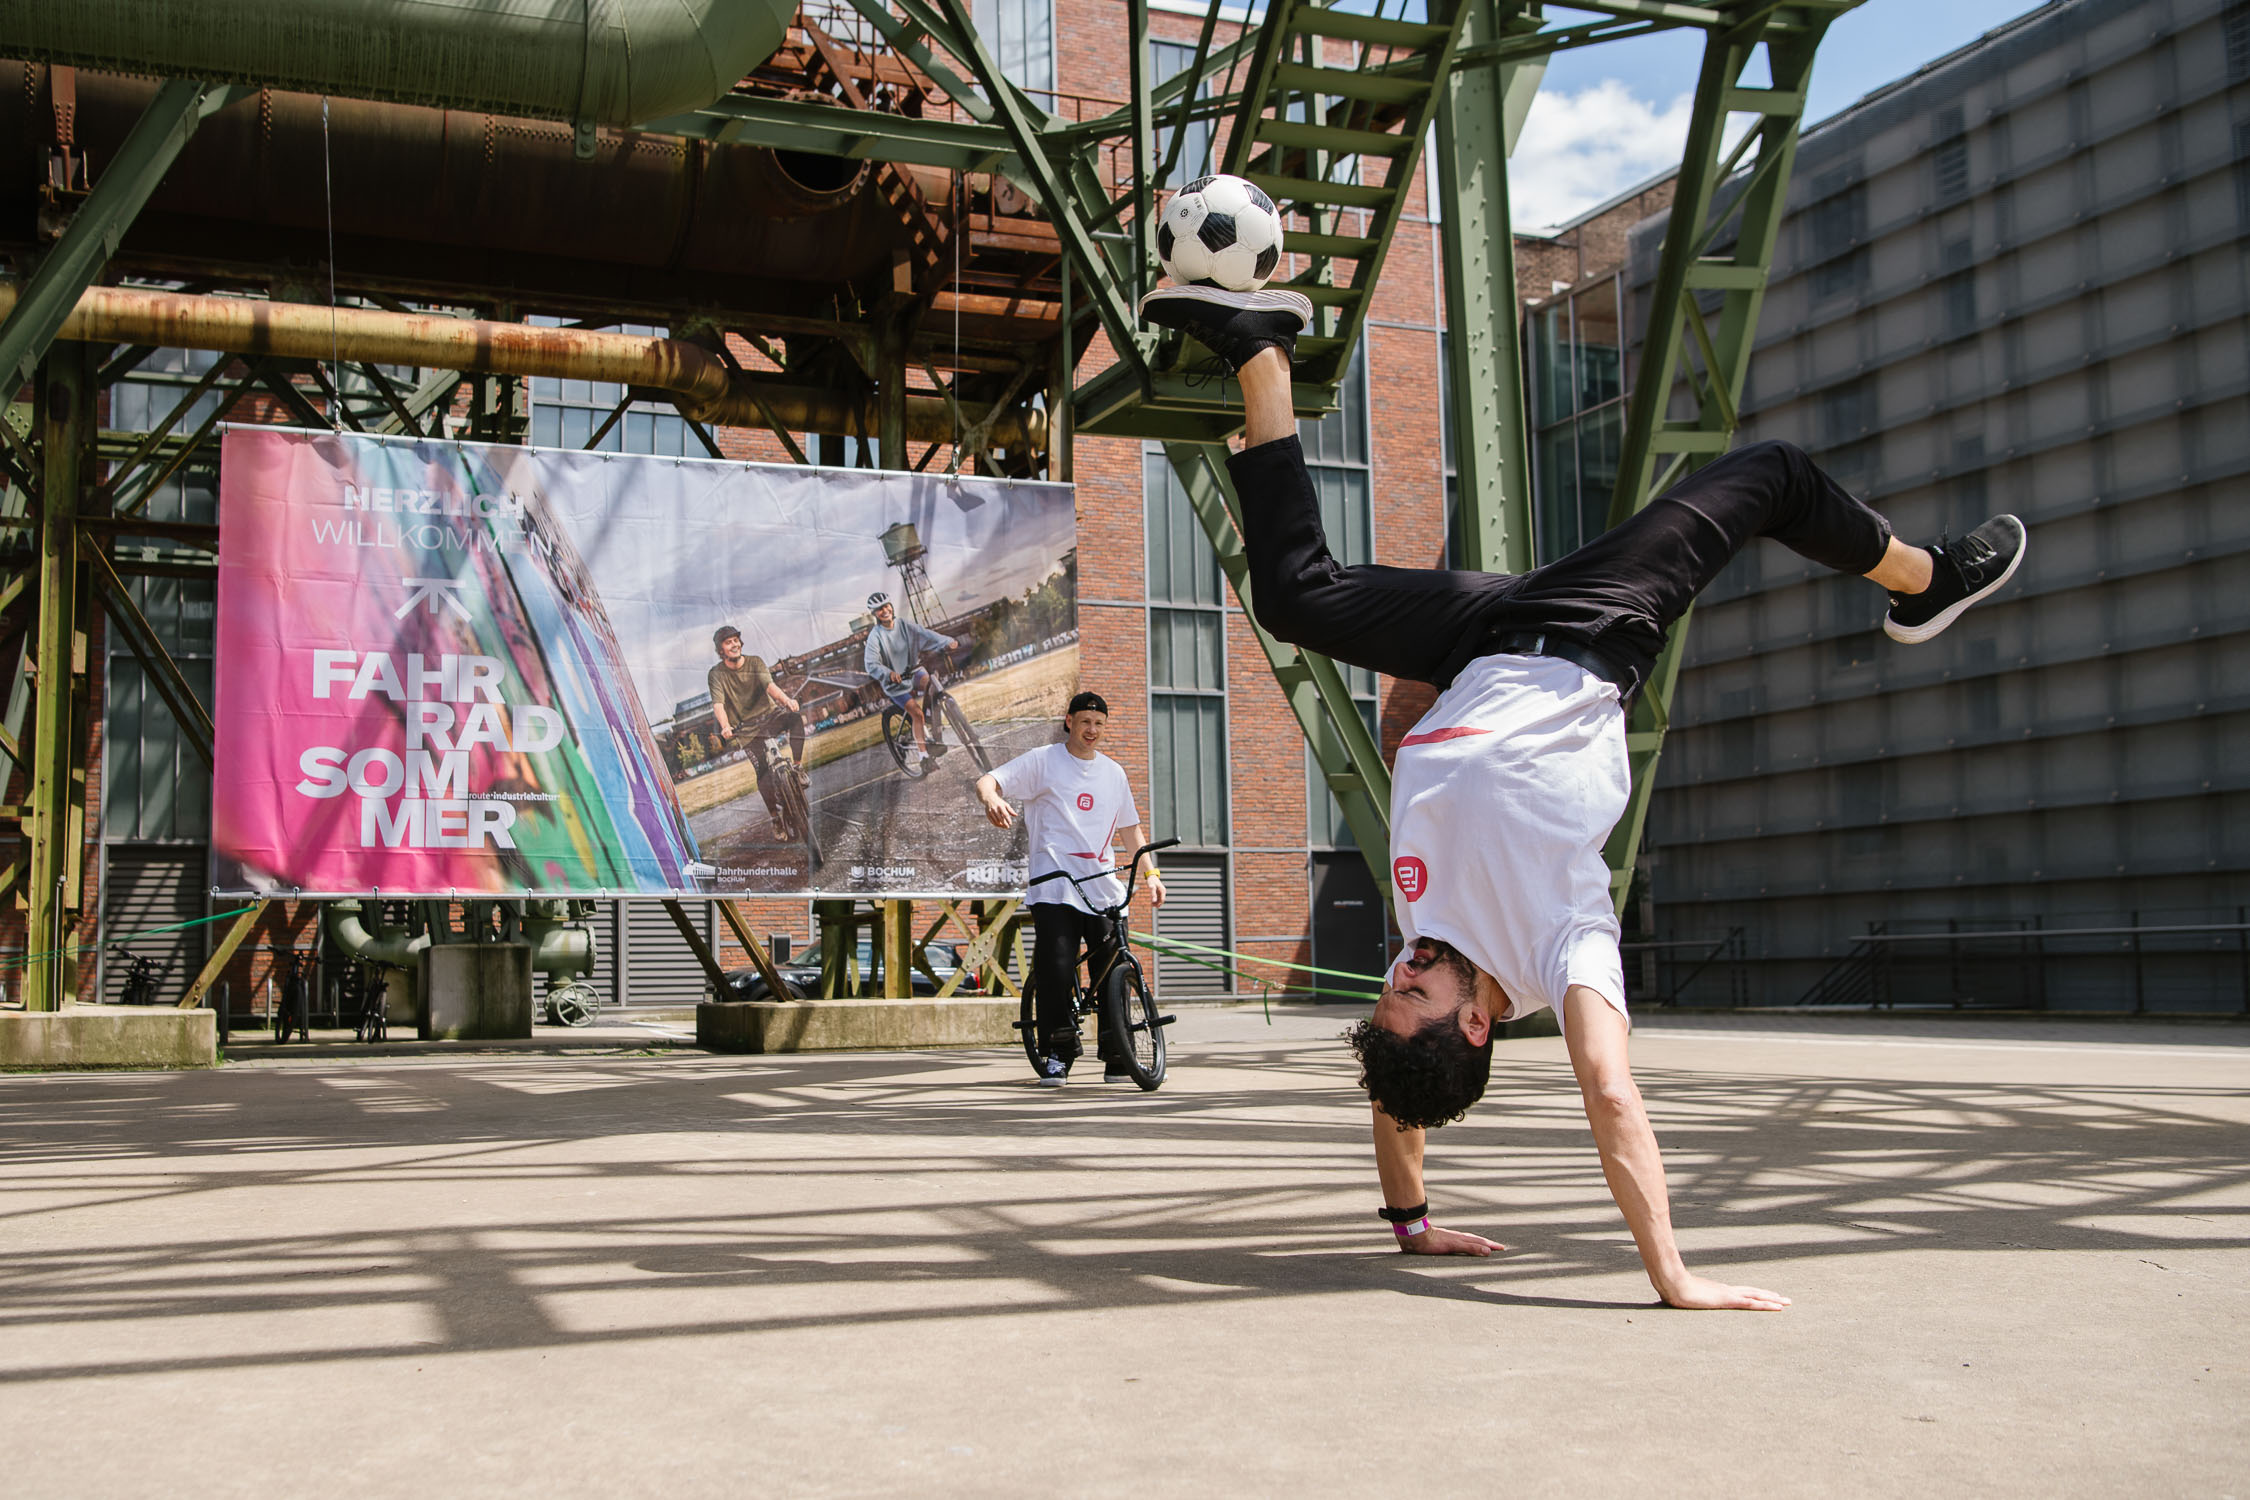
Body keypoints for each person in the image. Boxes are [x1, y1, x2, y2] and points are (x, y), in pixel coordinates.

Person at [1140, 282, 2029, 1308]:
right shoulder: (1565, 950)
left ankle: (1260, 350)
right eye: (1417, 989)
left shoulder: (1432, 965)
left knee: (1296, 597)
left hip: (1473, 635)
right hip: (1588, 628)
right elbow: (1609, 1093)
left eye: (1395, 981)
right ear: (1477, 1026)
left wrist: (1411, 1225)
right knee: (1774, 475)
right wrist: (1672, 1274)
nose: (1408, 963)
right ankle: (1924, 583)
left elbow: (1394, 1094)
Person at [975, 691, 1169, 1084]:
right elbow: (988, 780)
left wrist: (1152, 874)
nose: (1092, 730)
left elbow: (1130, 829)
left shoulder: (1114, 773)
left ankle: (1119, 1053)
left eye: (1099, 724)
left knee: (1113, 970)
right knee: (1057, 968)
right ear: (1069, 721)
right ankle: (1058, 1052)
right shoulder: (1044, 761)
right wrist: (992, 799)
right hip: (1055, 886)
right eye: (1084, 722)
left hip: (1102, 889)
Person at [707, 625, 808, 834]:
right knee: (762, 772)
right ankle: (774, 817)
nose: (734, 644)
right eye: (728, 642)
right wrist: (725, 726)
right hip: (745, 729)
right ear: (721, 650)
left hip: (770, 717)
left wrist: (787, 700)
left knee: (795, 719)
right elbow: (718, 703)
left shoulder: (755, 662)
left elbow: (769, 685)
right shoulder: (716, 674)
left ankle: (797, 768)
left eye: (736, 640)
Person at [862, 591, 960, 771]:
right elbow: (871, 664)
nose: (884, 611)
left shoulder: (903, 625)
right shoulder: (875, 637)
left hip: (913, 671)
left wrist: (947, 641)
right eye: (879, 609)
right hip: (894, 682)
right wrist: (888, 673)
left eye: (886, 606)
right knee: (917, 714)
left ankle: (931, 722)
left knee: (932, 684)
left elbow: (926, 634)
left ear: (891, 606)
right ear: (874, 614)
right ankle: (924, 757)